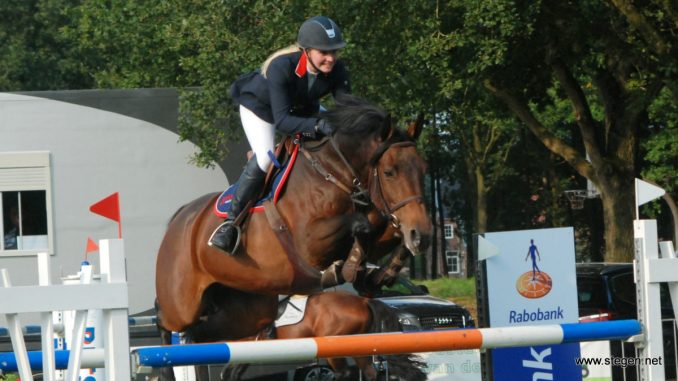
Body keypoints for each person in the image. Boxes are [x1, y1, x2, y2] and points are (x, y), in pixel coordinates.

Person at [208, 16, 351, 254]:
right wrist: (317, 126)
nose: (331, 58)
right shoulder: (281, 67)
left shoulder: (337, 70)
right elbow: (283, 121)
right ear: (306, 51)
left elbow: (348, 110)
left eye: (334, 52)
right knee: (265, 158)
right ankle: (230, 223)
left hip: (301, 108)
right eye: (324, 52)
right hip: (261, 110)